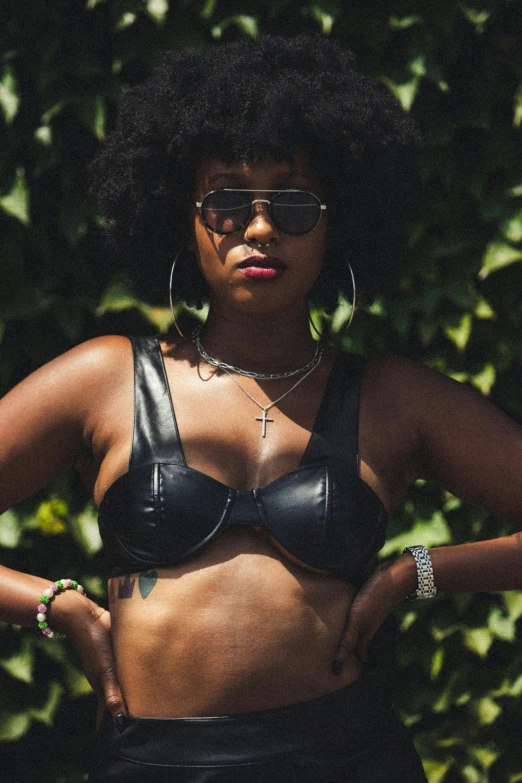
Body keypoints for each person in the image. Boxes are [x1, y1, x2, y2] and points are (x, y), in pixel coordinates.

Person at [1, 34, 521, 782]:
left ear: (338, 220)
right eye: (226, 199)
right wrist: (57, 605)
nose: (259, 227)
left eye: (293, 202)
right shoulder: (106, 379)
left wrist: (422, 569)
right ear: (182, 216)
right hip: (155, 763)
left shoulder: (394, 398)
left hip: (349, 759)